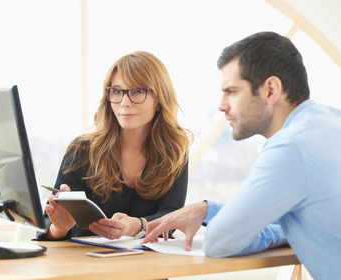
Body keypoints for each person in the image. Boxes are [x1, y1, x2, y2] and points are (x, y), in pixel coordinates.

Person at [142, 32, 341, 279]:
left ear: (270, 90)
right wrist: (206, 210)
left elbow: (219, 241)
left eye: (232, 91)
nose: (221, 105)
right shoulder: (330, 122)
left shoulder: (289, 148)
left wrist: (284, 229)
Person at [36, 51, 193, 241]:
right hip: (86, 266)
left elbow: (171, 218)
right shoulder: (82, 151)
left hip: (147, 266)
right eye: (117, 91)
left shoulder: (174, 152)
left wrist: (136, 225)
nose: (124, 103)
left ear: (159, 100)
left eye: (137, 91)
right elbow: (48, 226)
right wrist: (59, 228)